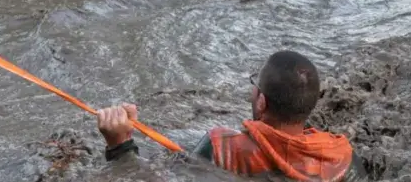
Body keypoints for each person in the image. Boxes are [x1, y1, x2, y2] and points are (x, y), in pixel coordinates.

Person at [95, 51, 366, 181]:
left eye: (254, 86)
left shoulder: (220, 147)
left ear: (261, 101)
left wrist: (120, 146)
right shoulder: (343, 157)